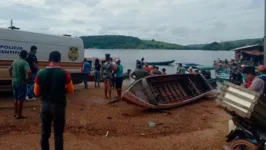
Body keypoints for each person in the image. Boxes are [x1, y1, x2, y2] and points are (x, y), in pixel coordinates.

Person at [34, 51, 74, 150]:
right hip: (59, 106)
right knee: (58, 134)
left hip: (45, 105)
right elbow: (71, 90)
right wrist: (62, 89)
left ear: (49, 60)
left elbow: (36, 92)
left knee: (44, 134)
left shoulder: (40, 73)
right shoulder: (65, 73)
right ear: (59, 60)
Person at [9, 50, 31, 119]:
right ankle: (19, 115)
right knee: (21, 99)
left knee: (16, 98)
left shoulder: (15, 61)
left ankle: (15, 113)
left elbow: (9, 69)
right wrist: (27, 79)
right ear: (26, 56)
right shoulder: (25, 62)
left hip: (14, 82)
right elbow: (29, 72)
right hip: (21, 83)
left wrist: (12, 77)